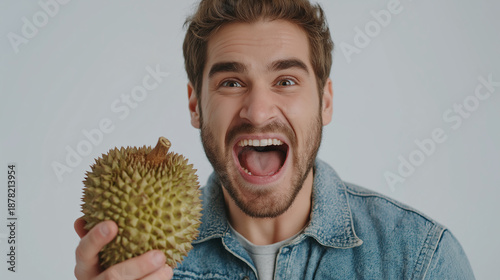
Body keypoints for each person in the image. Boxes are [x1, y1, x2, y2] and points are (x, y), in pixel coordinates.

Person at [74, 0, 475, 279]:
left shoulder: (421, 260)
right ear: (196, 106)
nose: (259, 110)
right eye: (231, 82)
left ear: (326, 103)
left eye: (286, 81)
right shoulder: (143, 268)